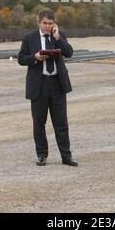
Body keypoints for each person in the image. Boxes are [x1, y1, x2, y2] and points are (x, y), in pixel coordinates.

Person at [18, 9, 78, 167]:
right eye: (44, 23)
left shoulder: (59, 34)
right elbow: (21, 59)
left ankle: (66, 156)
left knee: (61, 123)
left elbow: (69, 53)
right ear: (39, 23)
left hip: (57, 84)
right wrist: (35, 57)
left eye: (50, 23)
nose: (47, 26)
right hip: (39, 85)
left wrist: (58, 38)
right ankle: (42, 155)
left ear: (54, 24)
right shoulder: (29, 38)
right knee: (39, 123)